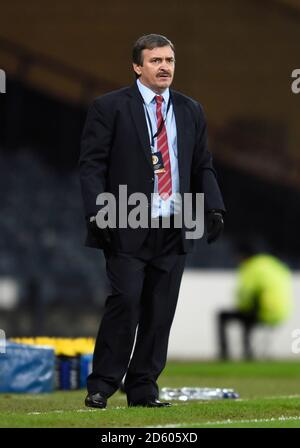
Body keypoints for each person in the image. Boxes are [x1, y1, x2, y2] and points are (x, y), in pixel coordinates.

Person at [79, 34, 225, 409]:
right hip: (124, 215)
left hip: (178, 220)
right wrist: (97, 210)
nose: (164, 67)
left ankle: (143, 389)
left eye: (170, 60)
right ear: (137, 66)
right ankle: (102, 385)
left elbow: (201, 165)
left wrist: (214, 207)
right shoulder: (109, 107)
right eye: (156, 60)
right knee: (125, 301)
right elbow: (92, 164)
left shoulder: (192, 109)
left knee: (161, 312)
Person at [217, 241, 293, 360]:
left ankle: (225, 355)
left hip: (264, 311)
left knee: (226, 315)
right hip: (281, 312)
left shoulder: (250, 267)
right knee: (249, 314)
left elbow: (246, 293)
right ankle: (248, 354)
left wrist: (241, 304)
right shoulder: (272, 263)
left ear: (243, 256)